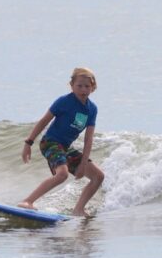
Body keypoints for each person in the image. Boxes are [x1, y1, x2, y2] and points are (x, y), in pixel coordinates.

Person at [18, 67, 105, 216]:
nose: (83, 89)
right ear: (72, 86)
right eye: (79, 86)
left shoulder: (92, 109)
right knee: (62, 174)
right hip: (50, 142)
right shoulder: (64, 102)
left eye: (87, 86)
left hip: (65, 147)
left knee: (98, 176)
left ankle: (78, 209)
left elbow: (88, 138)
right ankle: (27, 201)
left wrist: (83, 164)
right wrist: (28, 143)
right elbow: (43, 121)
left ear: (93, 87)